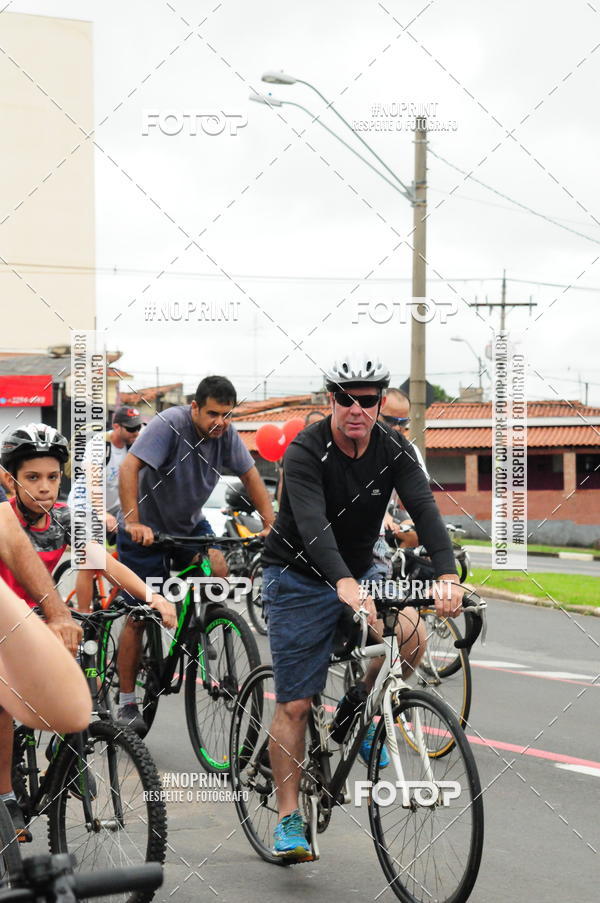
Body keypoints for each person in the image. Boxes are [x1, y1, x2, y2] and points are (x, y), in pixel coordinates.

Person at [261, 353, 463, 861]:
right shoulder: (306, 450)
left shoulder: (394, 447)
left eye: (367, 400)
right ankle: (288, 818)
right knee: (296, 704)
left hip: (357, 570)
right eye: (345, 399)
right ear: (331, 399)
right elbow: (312, 524)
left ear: (379, 401)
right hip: (297, 574)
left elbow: (424, 508)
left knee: (410, 635)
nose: (356, 409)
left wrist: (446, 574)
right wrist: (343, 582)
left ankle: (360, 711)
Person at [0, 424, 176, 841]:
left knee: (78, 658)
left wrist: (153, 597)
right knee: (3, 703)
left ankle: (68, 749)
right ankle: (5, 797)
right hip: (6, 620)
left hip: (40, 619)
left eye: (52, 476)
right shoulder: (4, 517)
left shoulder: (62, 519)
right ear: (10, 480)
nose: (45, 487)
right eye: (32, 478)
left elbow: (103, 561)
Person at [116, 375, 275, 736]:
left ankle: (198, 625)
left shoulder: (226, 435)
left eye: (227, 415)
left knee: (217, 569)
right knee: (140, 615)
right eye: (213, 414)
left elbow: (251, 476)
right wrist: (133, 521)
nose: (220, 422)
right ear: (195, 408)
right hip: (148, 530)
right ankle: (126, 700)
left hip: (188, 526)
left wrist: (270, 523)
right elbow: (129, 467)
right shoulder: (170, 424)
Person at [72, 405, 143, 612]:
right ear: (116, 426)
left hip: (113, 509)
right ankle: (84, 616)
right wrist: (101, 512)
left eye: (138, 427)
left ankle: (117, 593)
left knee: (131, 551)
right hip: (85, 508)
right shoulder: (99, 445)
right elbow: (93, 481)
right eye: (131, 428)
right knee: (89, 563)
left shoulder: (134, 446)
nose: (136, 432)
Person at [380, 388, 428, 547]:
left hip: (391, 513)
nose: (397, 427)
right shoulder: (358, 447)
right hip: (361, 518)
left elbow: (421, 498)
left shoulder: (410, 450)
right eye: (390, 421)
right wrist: (383, 515)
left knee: (420, 533)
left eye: (402, 422)